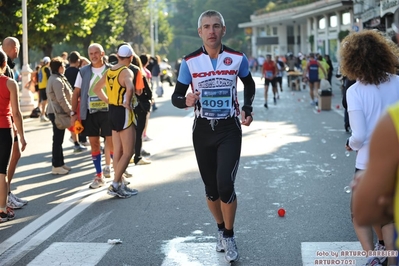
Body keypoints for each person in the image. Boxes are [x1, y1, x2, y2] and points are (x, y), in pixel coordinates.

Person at [171, 10, 255, 263]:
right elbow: (176, 97)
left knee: (225, 183)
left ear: (223, 30)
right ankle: (220, 227)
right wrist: (184, 100)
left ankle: (229, 235)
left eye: (216, 26)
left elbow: (249, 84)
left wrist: (247, 109)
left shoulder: (237, 58)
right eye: (206, 26)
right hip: (203, 130)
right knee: (211, 188)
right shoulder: (189, 62)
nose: (211, 31)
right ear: (200, 32)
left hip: (229, 128)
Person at [341, 29, 399, 266]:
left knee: (360, 213)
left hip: (368, 163)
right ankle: (390, 255)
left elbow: (360, 134)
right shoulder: (398, 83)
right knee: (388, 217)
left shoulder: (354, 91)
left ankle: (372, 257)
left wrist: (350, 144)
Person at [93, 44, 140, 198]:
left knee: (118, 151)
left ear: (118, 56)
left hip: (112, 110)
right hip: (123, 111)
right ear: (131, 57)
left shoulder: (110, 70)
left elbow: (96, 89)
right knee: (129, 151)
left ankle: (118, 183)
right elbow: (130, 88)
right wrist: (126, 102)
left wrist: (109, 101)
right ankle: (115, 185)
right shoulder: (126, 72)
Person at [71, 43, 113, 189]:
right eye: (91, 54)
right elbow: (76, 92)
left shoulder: (111, 70)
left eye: (96, 53)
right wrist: (73, 113)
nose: (94, 56)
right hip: (90, 113)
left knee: (111, 142)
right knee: (94, 144)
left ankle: (118, 173)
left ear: (102, 54)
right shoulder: (83, 71)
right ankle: (99, 176)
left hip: (109, 111)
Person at [0, 50, 27, 222]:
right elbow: (16, 113)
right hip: (4, 128)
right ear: (4, 64)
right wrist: (22, 137)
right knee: (1, 172)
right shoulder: (10, 83)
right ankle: (2, 210)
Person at [46, 57, 75, 175]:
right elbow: (61, 99)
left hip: (57, 112)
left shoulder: (56, 78)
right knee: (57, 140)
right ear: (59, 67)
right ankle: (56, 165)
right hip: (57, 113)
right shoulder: (57, 80)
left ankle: (60, 163)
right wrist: (70, 111)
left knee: (59, 139)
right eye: (63, 65)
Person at [131, 54, 151, 165]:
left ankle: (128, 155)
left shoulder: (122, 74)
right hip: (140, 108)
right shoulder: (140, 74)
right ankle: (137, 156)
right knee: (138, 133)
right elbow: (148, 92)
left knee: (128, 134)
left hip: (126, 107)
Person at [38, 56, 51, 122]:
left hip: (41, 86)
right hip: (46, 86)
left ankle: (43, 114)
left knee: (44, 101)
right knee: (46, 101)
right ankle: (44, 114)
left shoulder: (40, 69)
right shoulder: (46, 68)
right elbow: (49, 78)